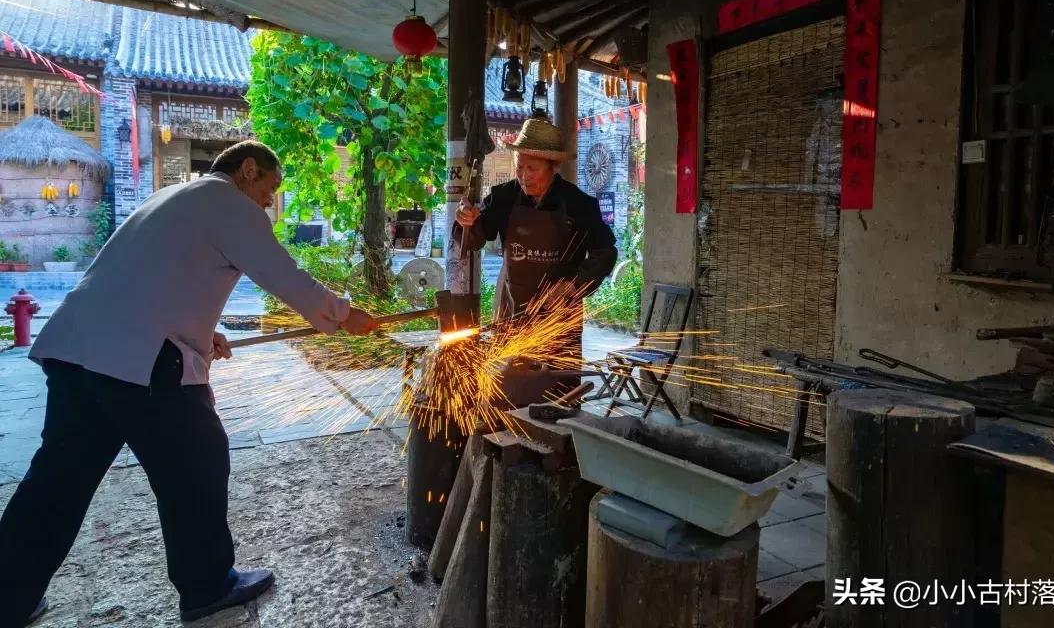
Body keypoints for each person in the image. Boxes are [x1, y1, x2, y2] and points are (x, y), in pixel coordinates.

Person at [0, 140, 376, 626]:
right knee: (198, 461)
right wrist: (345, 315)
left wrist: (203, 332)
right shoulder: (230, 203)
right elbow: (284, 274)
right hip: (139, 361)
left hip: (77, 349)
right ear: (247, 170)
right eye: (270, 189)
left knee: (56, 482)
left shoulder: (173, 196)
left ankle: (8, 595)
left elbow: (152, 278)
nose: (269, 202)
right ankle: (207, 586)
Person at [455, 118, 616, 369]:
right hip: (512, 310)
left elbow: (605, 252)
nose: (524, 176)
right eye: (520, 167)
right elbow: (474, 240)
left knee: (557, 393)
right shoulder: (503, 197)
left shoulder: (579, 204)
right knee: (510, 387)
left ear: (554, 166)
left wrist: (573, 285)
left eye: (533, 169)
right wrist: (466, 223)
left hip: (559, 314)